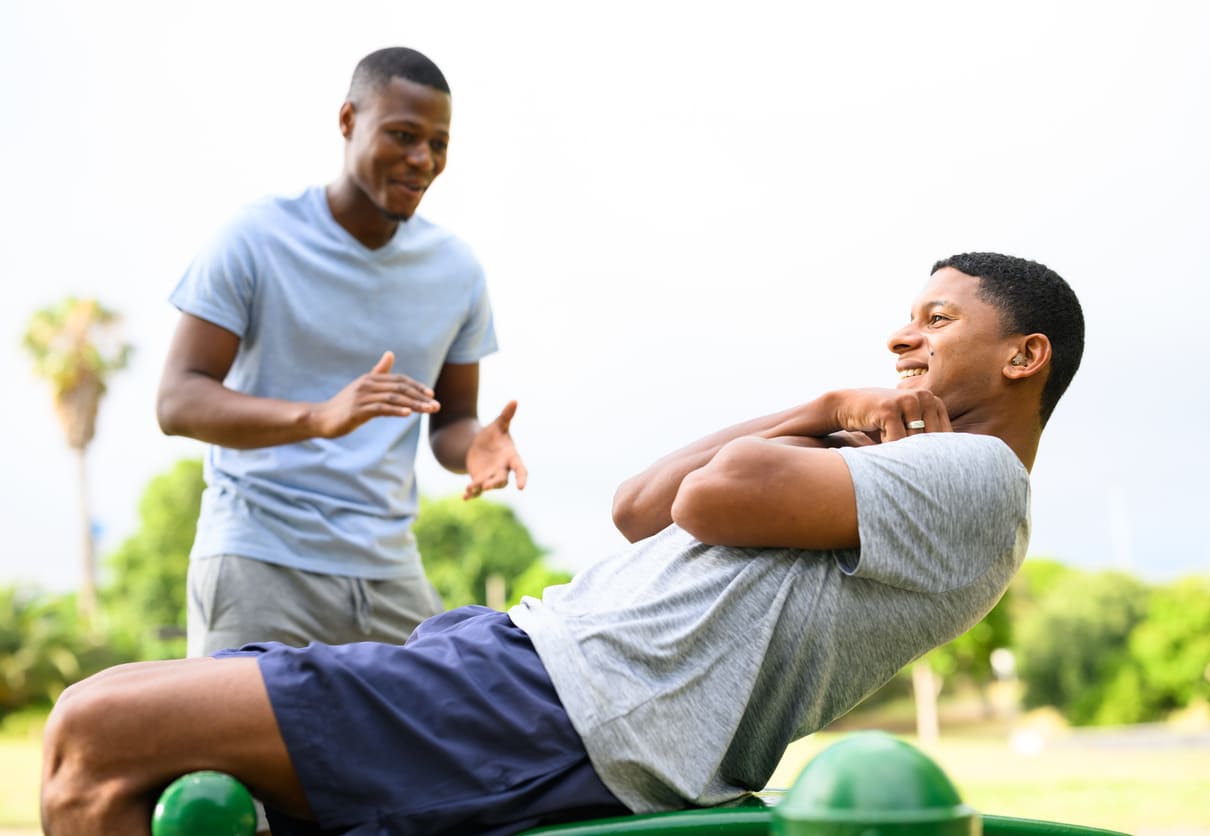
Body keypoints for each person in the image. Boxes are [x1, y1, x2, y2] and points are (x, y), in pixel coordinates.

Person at [43, 253, 1084, 836]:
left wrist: (824, 416)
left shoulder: (979, 474)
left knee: (95, 732)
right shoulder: (904, 462)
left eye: (935, 320)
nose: (902, 338)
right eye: (905, 319)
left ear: (1024, 355)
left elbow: (718, 493)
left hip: (560, 706)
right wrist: (823, 405)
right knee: (117, 738)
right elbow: (641, 505)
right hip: (520, 675)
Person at [155, 47, 526, 657]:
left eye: (438, 143)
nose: (422, 160)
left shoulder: (456, 270)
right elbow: (176, 400)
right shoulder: (255, 238)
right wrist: (317, 417)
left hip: (387, 571)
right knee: (241, 751)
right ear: (348, 121)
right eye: (402, 135)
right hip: (258, 557)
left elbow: (450, 422)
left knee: (446, 737)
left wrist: (476, 445)